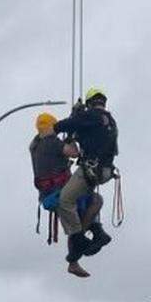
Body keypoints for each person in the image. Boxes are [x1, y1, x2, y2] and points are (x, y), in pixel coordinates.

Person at [53, 87, 118, 275]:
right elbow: (87, 135)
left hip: (91, 169)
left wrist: (55, 128)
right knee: (88, 201)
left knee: (65, 200)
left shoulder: (91, 116)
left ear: (90, 103)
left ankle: (78, 239)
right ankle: (98, 232)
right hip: (104, 171)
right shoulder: (110, 121)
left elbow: (65, 125)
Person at [29, 113, 103, 277]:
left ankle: (78, 251)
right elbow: (74, 153)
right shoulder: (52, 142)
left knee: (74, 218)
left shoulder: (35, 145)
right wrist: (72, 138)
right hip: (60, 193)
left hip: (47, 195)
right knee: (95, 201)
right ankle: (76, 252)